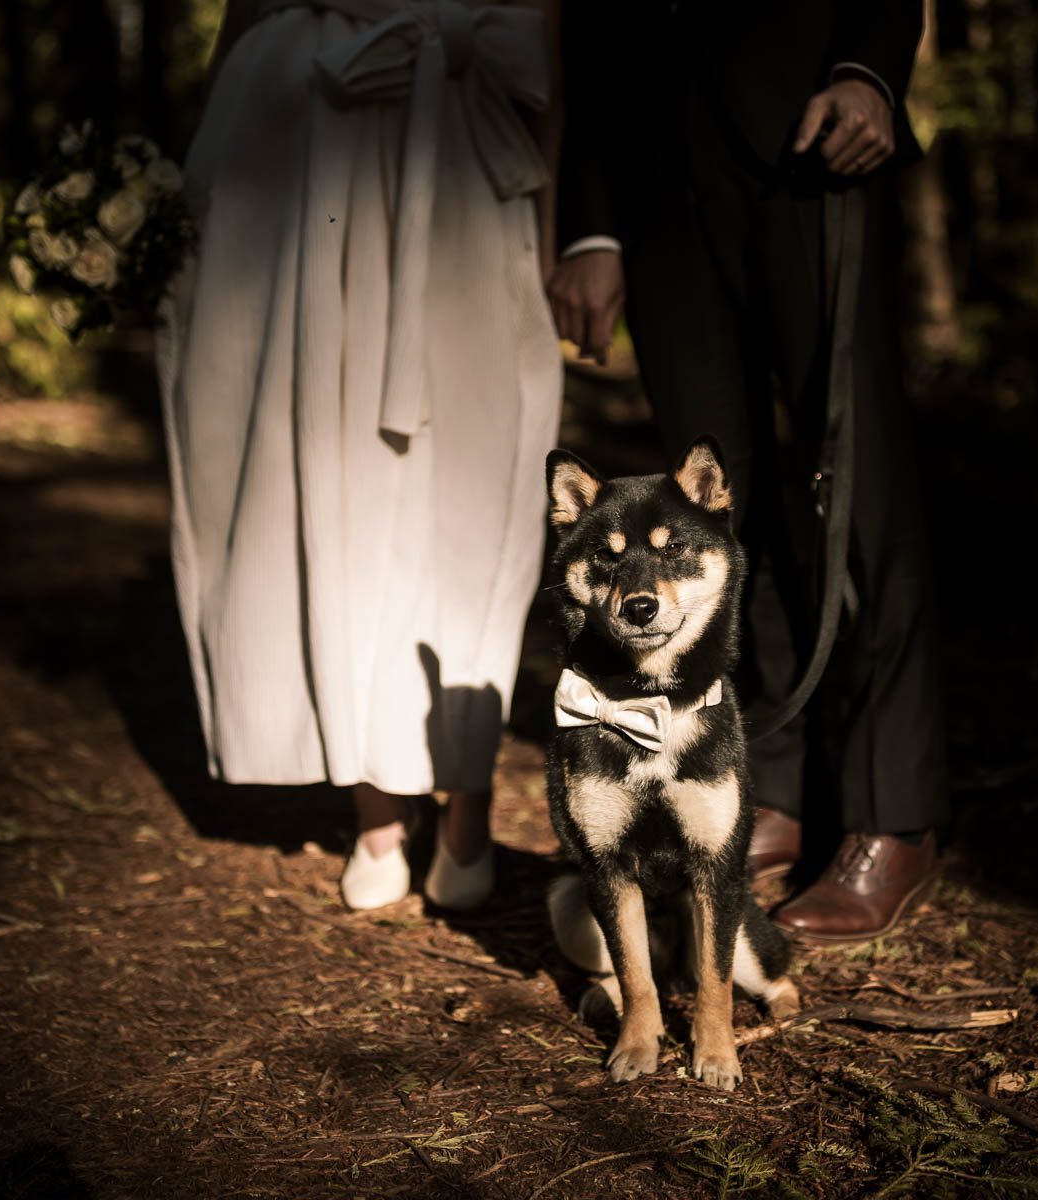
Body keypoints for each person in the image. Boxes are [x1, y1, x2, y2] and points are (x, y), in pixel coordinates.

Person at [549, 1, 947, 942]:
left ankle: (891, 810)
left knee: (860, 488)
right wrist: (589, 229)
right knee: (709, 518)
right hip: (656, 186)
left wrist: (867, 70)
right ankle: (771, 780)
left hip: (812, 146)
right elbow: (590, 38)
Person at [158, 0, 563, 910]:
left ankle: (466, 794)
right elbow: (241, 21)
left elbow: (543, 46)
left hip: (461, 165)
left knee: (471, 487)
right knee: (331, 471)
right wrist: (176, 209)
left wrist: (555, 234)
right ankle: (374, 805)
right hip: (301, 158)